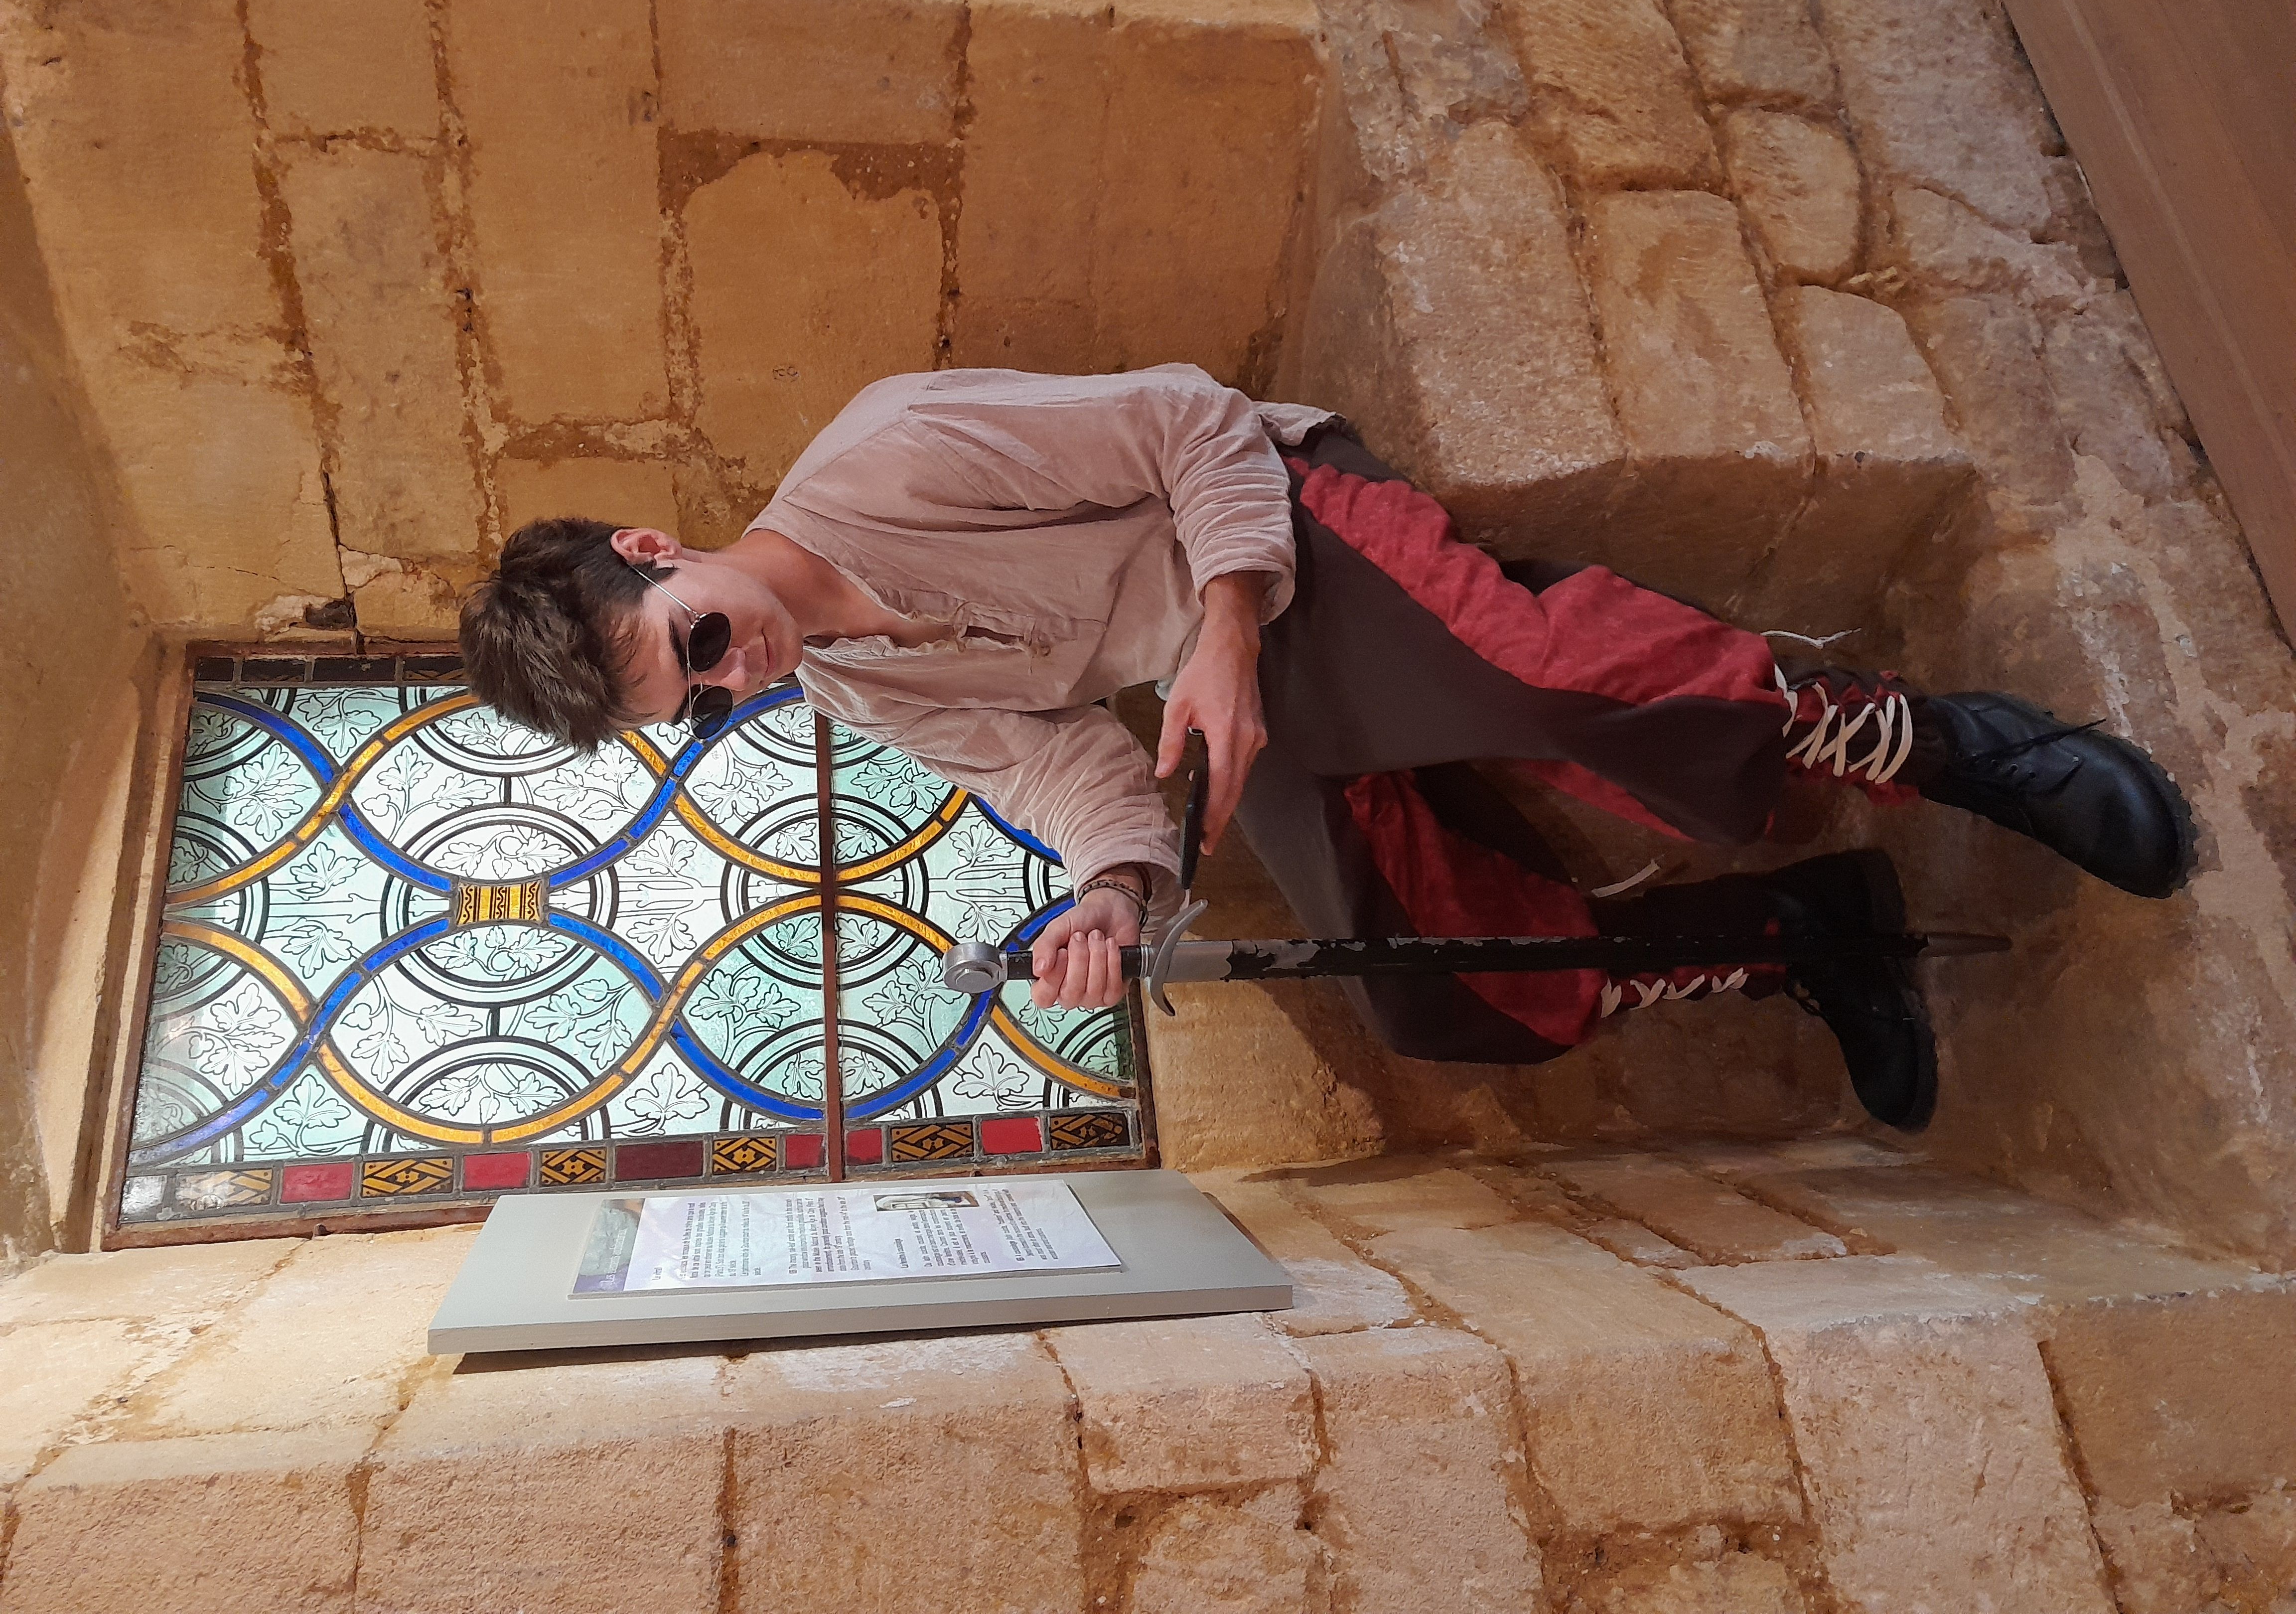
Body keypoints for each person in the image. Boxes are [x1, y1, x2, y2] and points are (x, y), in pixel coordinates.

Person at [459, 366, 2193, 1132]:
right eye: (700, 709)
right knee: (1427, 992)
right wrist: (1113, 889)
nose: (733, 677)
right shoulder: (851, 694)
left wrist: (1225, 627)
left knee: (1533, 678)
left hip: (1278, 528)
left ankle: (1939, 744)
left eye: (695, 643)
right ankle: (1802, 933)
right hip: (1224, 691)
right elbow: (1061, 768)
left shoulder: (886, 456)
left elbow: (1190, 417)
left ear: (654, 548)